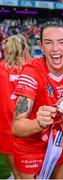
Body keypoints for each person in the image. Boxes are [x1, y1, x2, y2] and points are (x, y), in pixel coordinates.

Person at [12, 18, 63, 179]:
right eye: (48, 42)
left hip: (60, 143)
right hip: (31, 148)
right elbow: (17, 127)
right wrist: (38, 123)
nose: (55, 49)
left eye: (61, 42)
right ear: (41, 46)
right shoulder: (31, 72)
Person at [0, 34, 31, 179]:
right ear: (24, 48)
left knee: (17, 172)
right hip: (28, 124)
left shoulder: (1, 69)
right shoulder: (33, 67)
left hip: (6, 125)